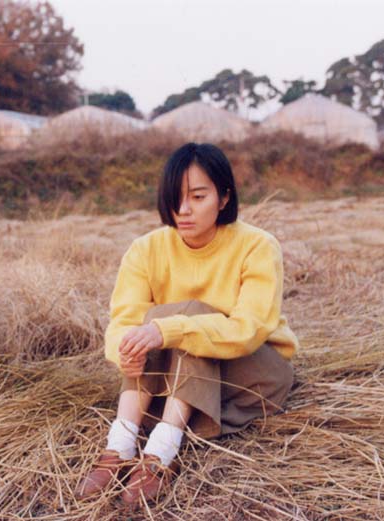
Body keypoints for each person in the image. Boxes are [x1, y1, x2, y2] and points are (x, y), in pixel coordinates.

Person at [75, 143, 299, 505]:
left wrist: (167, 330)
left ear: (224, 197)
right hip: (184, 376)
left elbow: (247, 329)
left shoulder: (257, 245)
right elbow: (124, 321)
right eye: (175, 197)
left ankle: (160, 452)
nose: (183, 210)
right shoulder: (145, 249)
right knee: (148, 327)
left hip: (250, 373)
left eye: (197, 196)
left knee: (190, 317)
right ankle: (120, 447)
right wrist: (125, 353)